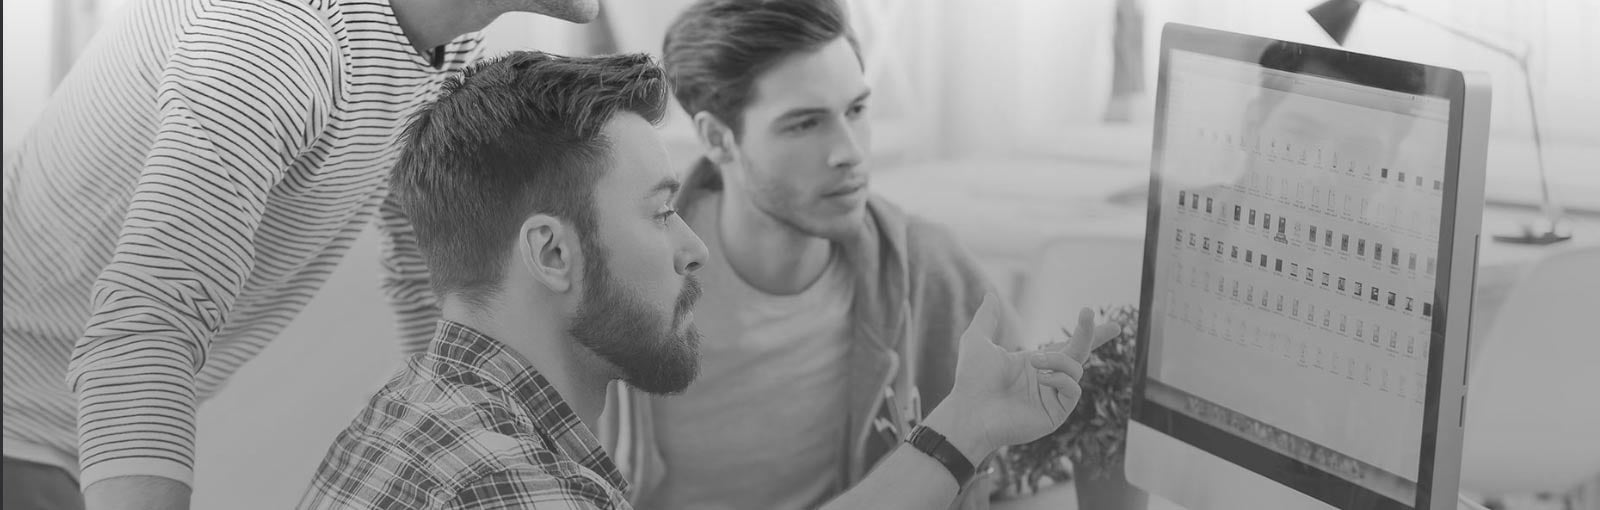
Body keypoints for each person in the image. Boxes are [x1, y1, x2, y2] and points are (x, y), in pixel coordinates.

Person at [298, 50, 1116, 510]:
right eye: (661, 213)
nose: (694, 250)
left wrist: (966, 424)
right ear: (551, 253)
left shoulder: (422, 412)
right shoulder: (508, 487)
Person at [0, 0, 600, 508]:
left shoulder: (448, 44)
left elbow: (428, 272)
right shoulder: (272, 42)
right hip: (22, 426)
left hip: (72, 431)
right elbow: (146, 330)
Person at [598, 1, 1059, 508]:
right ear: (717, 138)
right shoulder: (630, 275)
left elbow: (1035, 461)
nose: (850, 152)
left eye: (856, 110)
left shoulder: (929, 269)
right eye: (804, 124)